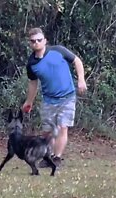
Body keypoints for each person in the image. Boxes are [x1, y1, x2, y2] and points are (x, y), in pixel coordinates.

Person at [22, 27, 87, 168]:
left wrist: (81, 79)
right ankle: (48, 157)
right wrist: (29, 101)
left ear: (45, 41)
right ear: (30, 43)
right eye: (33, 41)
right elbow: (33, 83)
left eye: (39, 40)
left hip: (67, 96)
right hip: (48, 100)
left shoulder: (58, 51)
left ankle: (57, 158)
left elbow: (77, 61)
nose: (36, 43)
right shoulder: (32, 64)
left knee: (63, 127)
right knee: (47, 132)